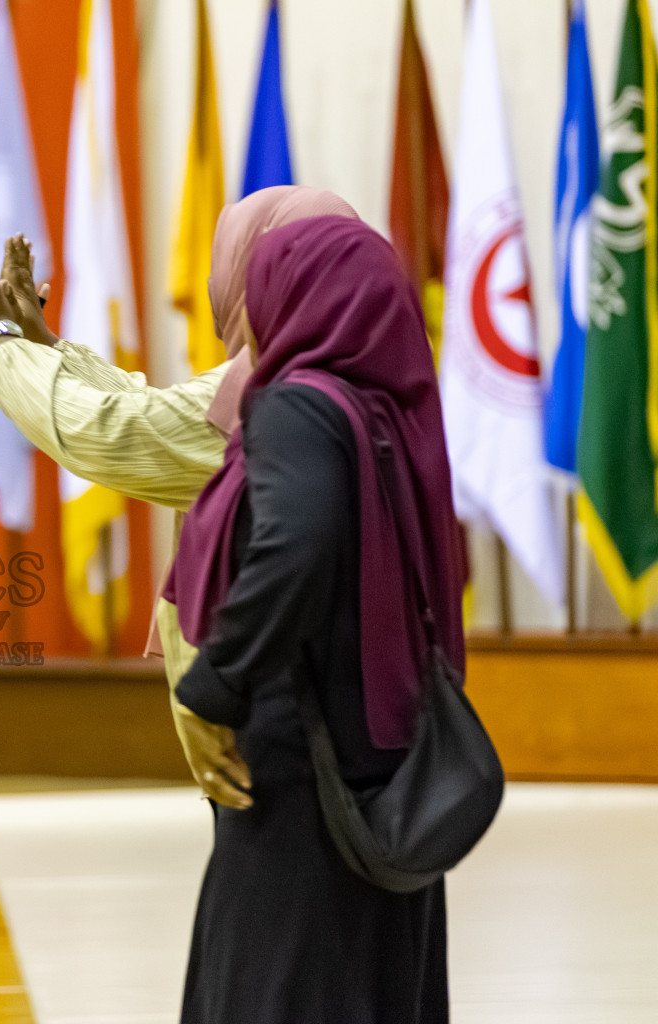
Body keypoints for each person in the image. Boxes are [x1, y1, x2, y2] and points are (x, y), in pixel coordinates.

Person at [164, 215, 462, 1022]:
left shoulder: (299, 406)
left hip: (301, 758)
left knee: (273, 984)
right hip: (384, 756)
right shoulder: (393, 415)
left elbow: (295, 542)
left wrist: (214, 684)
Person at [0, 188, 358, 783]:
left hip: (287, 724)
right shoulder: (350, 366)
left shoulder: (273, 392)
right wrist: (47, 348)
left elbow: (115, 435)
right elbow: (160, 414)